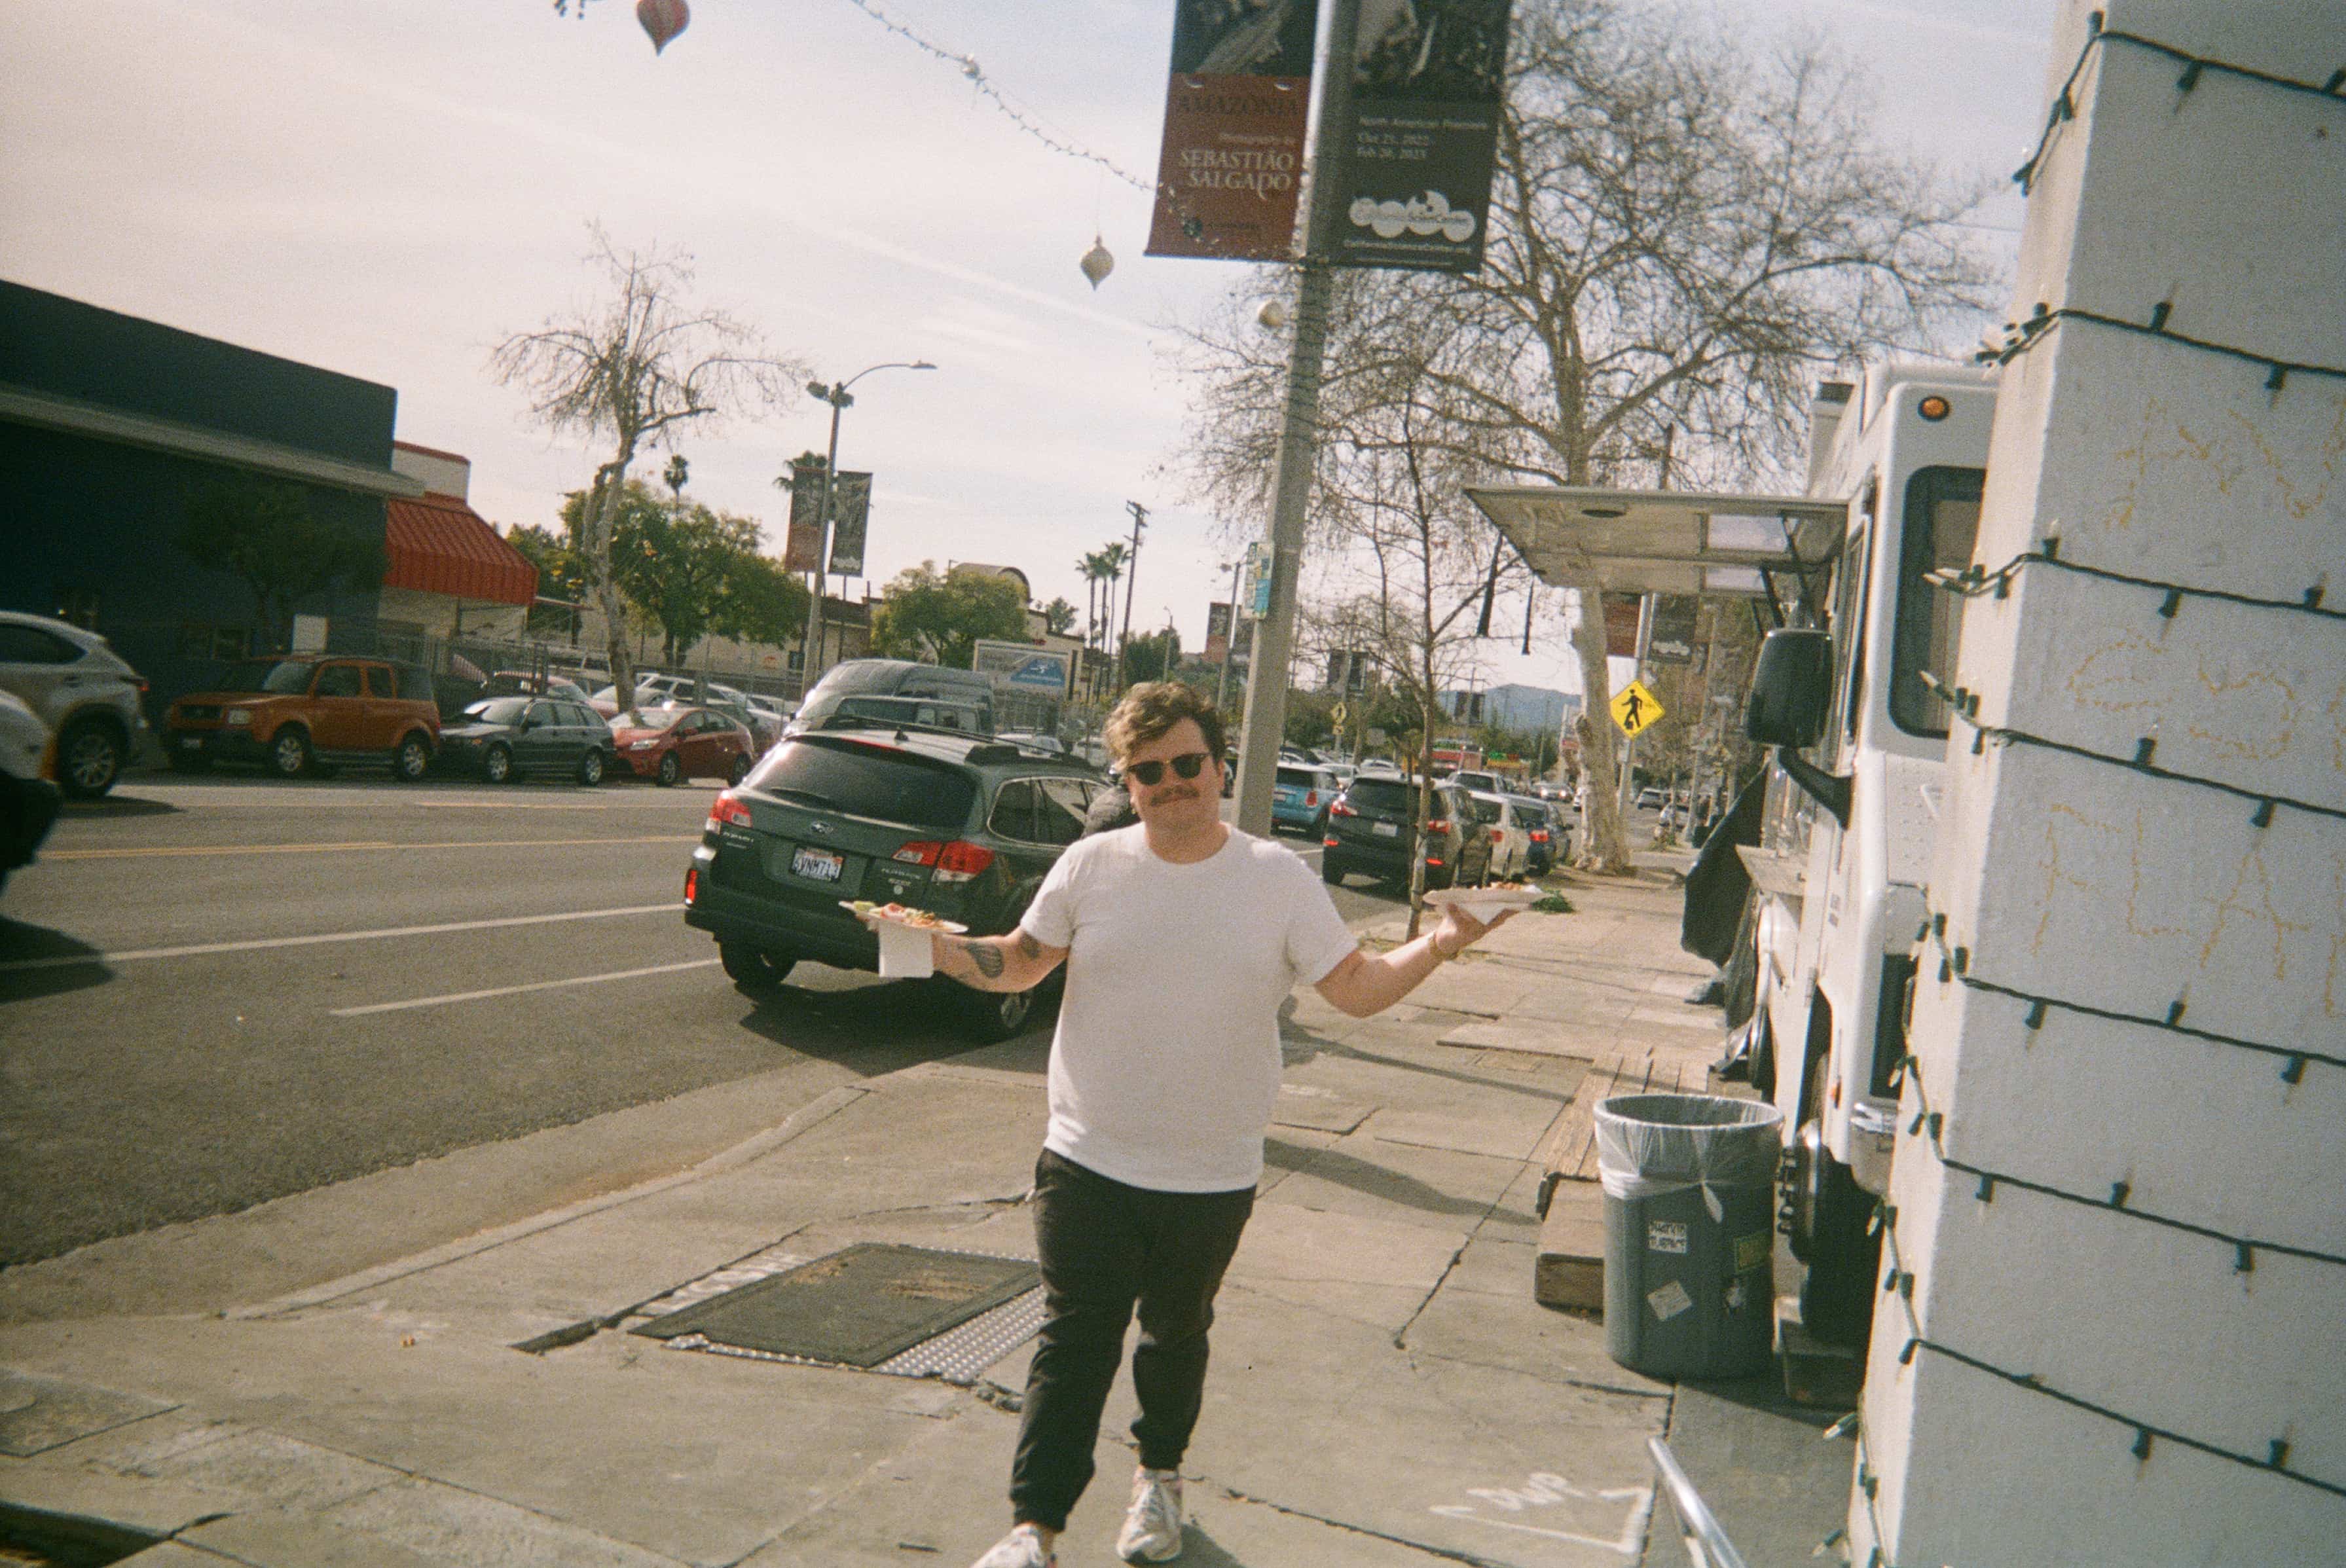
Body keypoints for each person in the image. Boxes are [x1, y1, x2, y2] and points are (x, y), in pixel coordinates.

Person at [915, 683, 1513, 1568]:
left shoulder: (1277, 879)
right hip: (1086, 1158)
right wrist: (925, 942)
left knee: (1175, 1337)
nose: (1170, 783)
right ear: (1129, 780)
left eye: (1186, 763)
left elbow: (1353, 990)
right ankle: (1032, 1530)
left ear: (1218, 767)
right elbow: (1018, 966)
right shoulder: (1091, 865)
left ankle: (1158, 1482)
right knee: (1073, 1340)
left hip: (1210, 1173)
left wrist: (1440, 945)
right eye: (1147, 771)